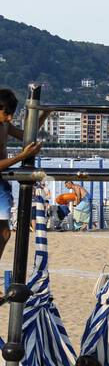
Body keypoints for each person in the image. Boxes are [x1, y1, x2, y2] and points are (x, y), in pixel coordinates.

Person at [0, 88, 44, 257]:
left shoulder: (5, 124)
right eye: (6, 113)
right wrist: (22, 156)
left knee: (5, 233)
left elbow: (26, 134)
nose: (9, 118)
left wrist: (45, 114)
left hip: (3, 184)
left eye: (11, 113)